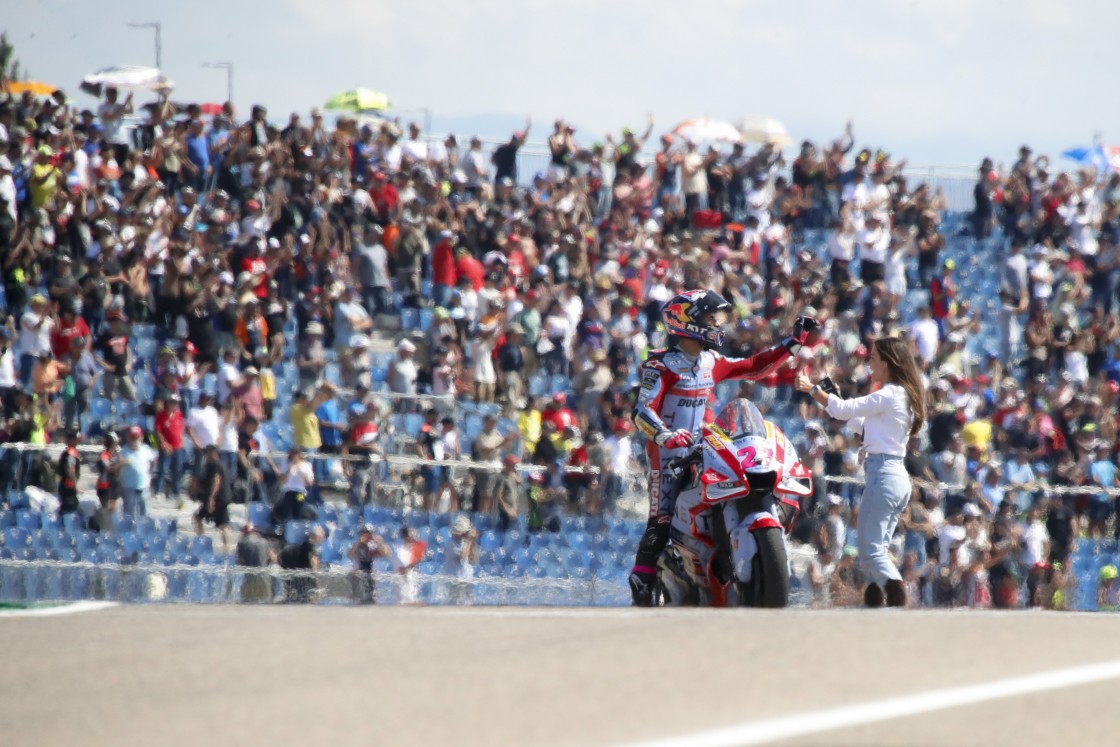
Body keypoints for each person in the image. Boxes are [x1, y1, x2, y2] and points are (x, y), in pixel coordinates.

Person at [627, 289, 819, 606]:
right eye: (709, 318)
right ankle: (642, 577)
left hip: (704, 449)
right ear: (686, 322)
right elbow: (642, 411)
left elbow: (754, 366)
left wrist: (792, 345)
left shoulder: (710, 361)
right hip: (669, 458)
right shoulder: (661, 366)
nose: (716, 324)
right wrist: (665, 435)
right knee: (660, 521)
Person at [796, 336, 926, 608]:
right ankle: (879, 596)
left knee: (869, 551)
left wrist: (811, 389)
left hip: (883, 475)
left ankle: (894, 588)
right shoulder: (903, 396)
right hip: (895, 476)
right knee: (877, 549)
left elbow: (843, 411)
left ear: (888, 363)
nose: (870, 363)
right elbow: (861, 425)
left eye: (875, 358)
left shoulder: (890, 393)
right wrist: (828, 393)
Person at [194, 445, 232, 553]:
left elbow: (216, 481)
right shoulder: (222, 464)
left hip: (217, 498)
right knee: (223, 524)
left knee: (198, 518)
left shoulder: (213, 464)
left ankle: (201, 543)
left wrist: (211, 498)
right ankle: (227, 549)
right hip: (224, 498)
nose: (206, 456)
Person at [349, 524, 390, 603]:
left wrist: (380, 543)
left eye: (367, 534)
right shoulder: (358, 545)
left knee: (369, 580)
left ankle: (370, 598)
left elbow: (386, 554)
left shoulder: (373, 545)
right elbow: (350, 555)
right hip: (361, 570)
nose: (365, 536)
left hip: (371, 570)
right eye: (363, 534)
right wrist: (358, 543)